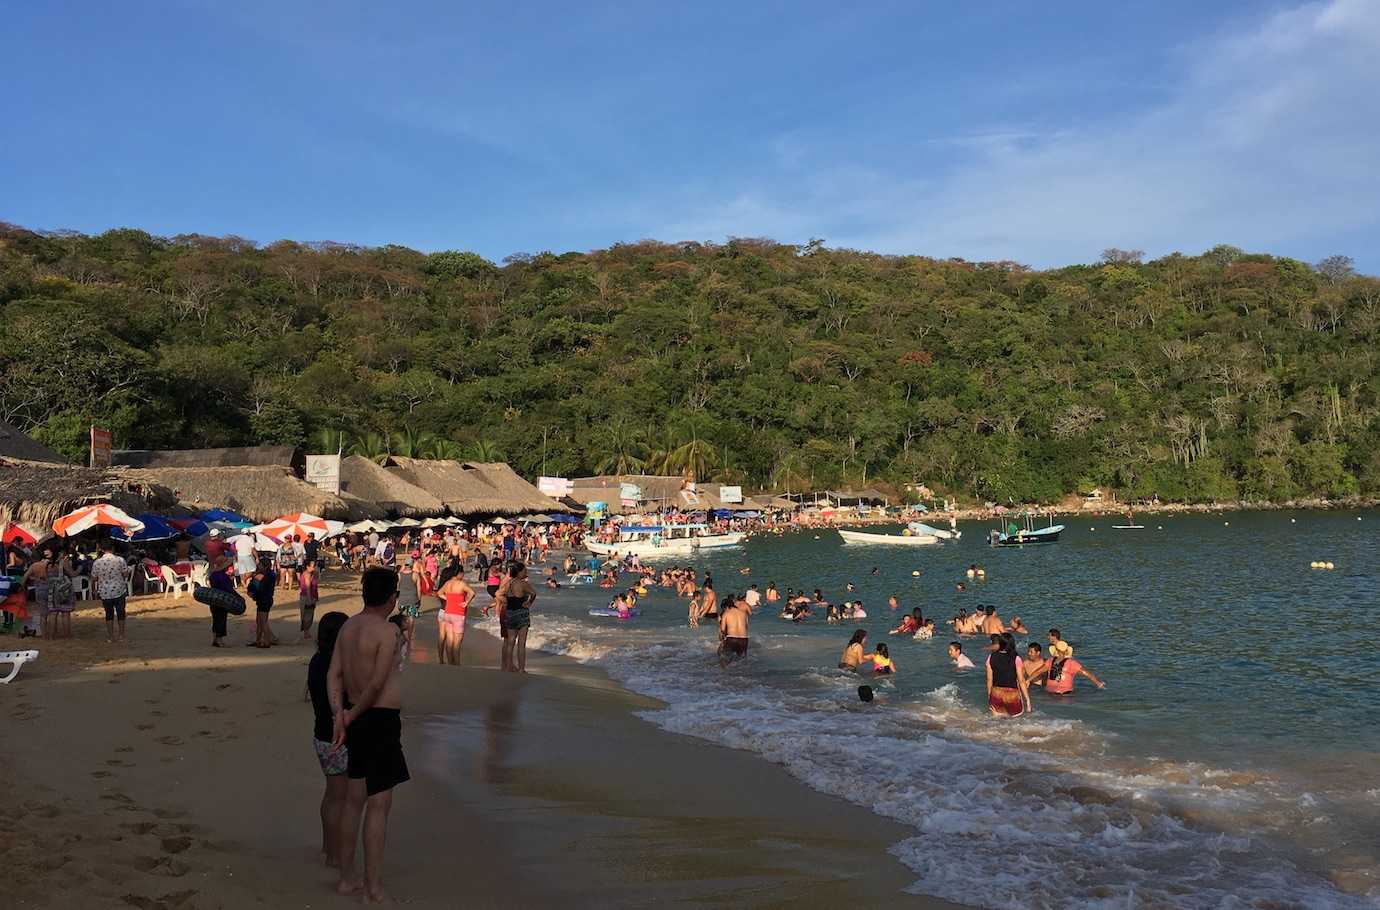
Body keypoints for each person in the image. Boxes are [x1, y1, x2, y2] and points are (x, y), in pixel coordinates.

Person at [328, 567, 409, 903]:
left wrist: (340, 715)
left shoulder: (347, 626)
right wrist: (349, 714)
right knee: (378, 805)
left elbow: (334, 674)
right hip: (377, 719)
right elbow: (376, 684)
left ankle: (347, 879)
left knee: (353, 800)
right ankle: (373, 887)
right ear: (391, 597)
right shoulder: (386, 632)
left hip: (355, 718)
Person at [307, 611, 350, 868]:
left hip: (321, 735)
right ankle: (334, 854)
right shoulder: (337, 665)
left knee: (332, 795)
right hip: (336, 737)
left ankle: (328, 847)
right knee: (340, 798)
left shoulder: (317, 660)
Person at [496, 561, 536, 673]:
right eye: (524, 571)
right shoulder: (523, 583)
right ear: (519, 572)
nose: (526, 572)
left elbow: (498, 594)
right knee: (521, 643)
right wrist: (529, 603)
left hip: (510, 612)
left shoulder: (509, 583)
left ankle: (508, 666)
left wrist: (507, 601)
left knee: (510, 642)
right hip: (521, 613)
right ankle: (521, 668)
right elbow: (533, 593)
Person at [91, 540, 132, 643]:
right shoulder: (120, 560)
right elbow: (125, 574)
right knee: (120, 613)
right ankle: (121, 635)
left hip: (105, 591)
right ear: (112, 548)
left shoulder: (97, 562)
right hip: (119, 589)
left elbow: (94, 577)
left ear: (102, 550)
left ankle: (110, 636)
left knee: (109, 614)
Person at [1036, 636, 1106, 694]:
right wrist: (1098, 683)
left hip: (1050, 692)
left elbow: (1039, 671)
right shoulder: (1071, 663)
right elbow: (1086, 673)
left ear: (1055, 651)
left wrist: (1027, 680)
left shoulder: (1050, 660)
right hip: (1065, 693)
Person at [436, 562, 475, 665]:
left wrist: (449, 598)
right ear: (459, 573)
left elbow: (439, 593)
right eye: (462, 573)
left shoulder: (447, 583)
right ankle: (457, 665)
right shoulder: (461, 583)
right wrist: (466, 602)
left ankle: (450, 664)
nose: (463, 576)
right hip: (458, 614)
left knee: (449, 642)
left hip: (448, 613)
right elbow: (472, 593)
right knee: (457, 644)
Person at [985, 633, 1031, 717]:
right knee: (1015, 723)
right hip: (1012, 695)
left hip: (996, 693)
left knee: (996, 724)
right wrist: (1027, 700)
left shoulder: (991, 657)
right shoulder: (1016, 658)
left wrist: (990, 697)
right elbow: (1021, 680)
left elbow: (989, 679)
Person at [247, 555, 277, 648]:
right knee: (260, 621)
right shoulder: (271, 574)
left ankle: (266, 641)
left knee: (262, 622)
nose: (258, 566)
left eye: (260, 565)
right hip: (267, 599)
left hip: (263, 600)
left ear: (264, 566)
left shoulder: (260, 576)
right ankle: (259, 640)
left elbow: (252, 589)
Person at [208, 555, 237, 647]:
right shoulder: (223, 576)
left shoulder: (213, 575)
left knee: (215, 619)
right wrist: (238, 597)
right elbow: (229, 589)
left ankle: (214, 639)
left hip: (213, 599)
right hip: (222, 599)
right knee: (221, 619)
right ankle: (219, 640)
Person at [396, 558, 422, 652]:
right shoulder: (415, 575)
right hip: (413, 599)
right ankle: (409, 638)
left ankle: (400, 634)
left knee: (401, 618)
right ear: (411, 565)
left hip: (402, 599)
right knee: (411, 618)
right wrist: (419, 599)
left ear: (405, 564)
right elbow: (419, 589)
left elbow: (397, 588)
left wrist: (397, 599)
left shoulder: (399, 575)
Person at [298, 560, 320, 642]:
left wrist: (316, 571)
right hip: (306, 596)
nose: (314, 567)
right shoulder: (306, 574)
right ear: (307, 566)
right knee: (306, 615)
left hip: (312, 595)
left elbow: (317, 579)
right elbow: (307, 588)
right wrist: (310, 598)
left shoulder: (313, 574)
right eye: (312, 566)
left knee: (310, 615)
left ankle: (307, 631)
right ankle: (306, 632)